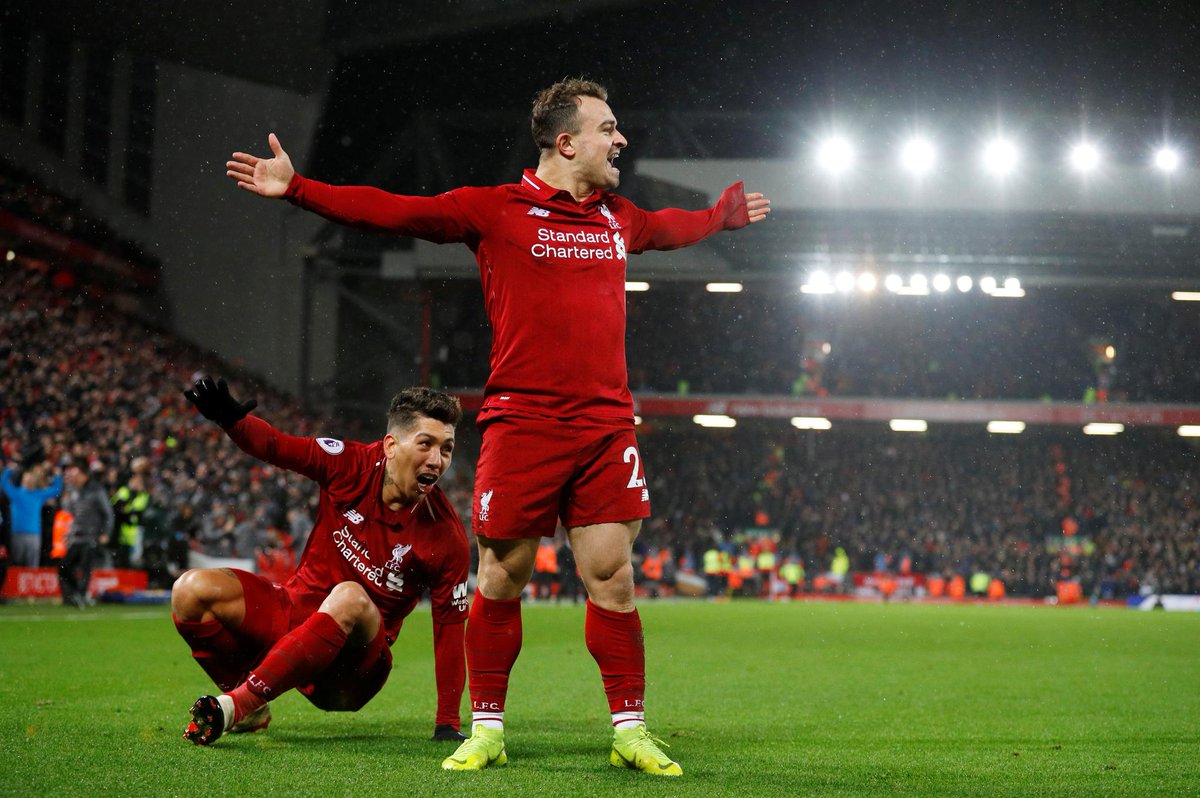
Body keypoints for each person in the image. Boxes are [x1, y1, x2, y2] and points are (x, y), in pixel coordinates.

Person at [227, 77, 770, 776]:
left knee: (613, 576)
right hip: (524, 425)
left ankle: (630, 730)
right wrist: (301, 189)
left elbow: (668, 226)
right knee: (501, 577)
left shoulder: (616, 217)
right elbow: (396, 211)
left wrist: (718, 217)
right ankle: (486, 729)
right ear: (566, 142)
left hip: (606, 427)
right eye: (608, 129)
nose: (621, 140)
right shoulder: (494, 211)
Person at [173, 377, 470, 746]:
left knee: (349, 595)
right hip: (295, 618)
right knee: (189, 591)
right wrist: (232, 422)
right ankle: (248, 705)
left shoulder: (446, 537)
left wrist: (447, 722)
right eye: (425, 444)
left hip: (351, 673)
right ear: (391, 445)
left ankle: (237, 704)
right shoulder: (350, 465)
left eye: (447, 449)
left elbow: (450, 630)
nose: (437, 460)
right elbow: (275, 446)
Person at [59, 462, 113, 608]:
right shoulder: (73, 491)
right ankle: (74, 593)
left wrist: (106, 533)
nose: (73, 478)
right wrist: (68, 533)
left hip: (91, 536)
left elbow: (108, 514)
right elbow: (71, 514)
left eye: (75, 475)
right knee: (64, 567)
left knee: (85, 568)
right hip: (76, 536)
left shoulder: (96, 490)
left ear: (84, 475)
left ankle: (81, 595)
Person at [1, 463, 63, 567]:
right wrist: (8, 470)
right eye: (26, 479)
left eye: (31, 479)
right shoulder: (15, 493)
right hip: (18, 534)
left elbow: (56, 490)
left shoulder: (38, 494)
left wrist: (57, 476)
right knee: (16, 565)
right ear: (22, 480)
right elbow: (3, 483)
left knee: (32, 567)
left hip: (34, 536)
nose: (29, 481)